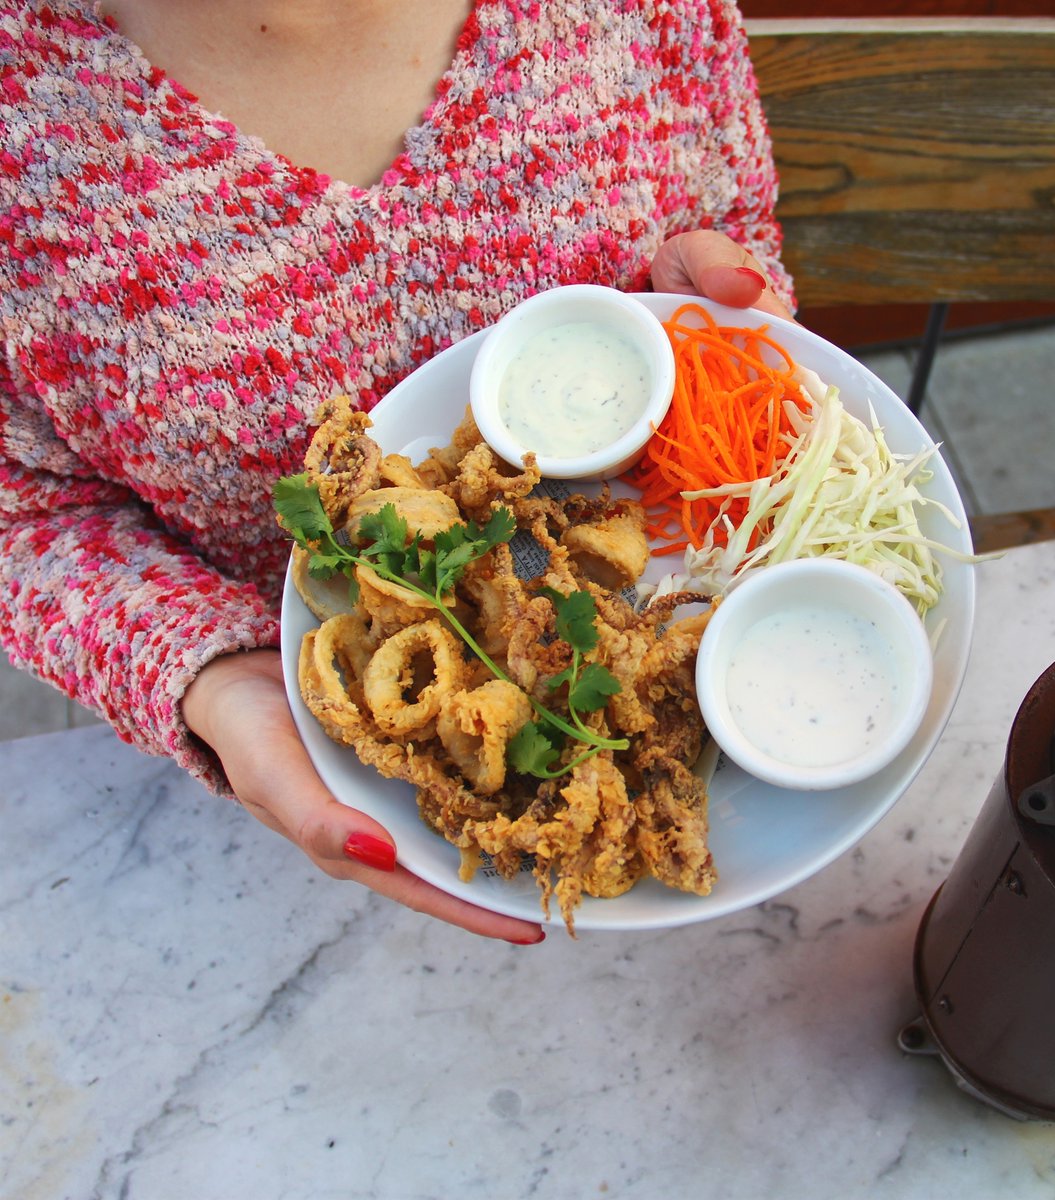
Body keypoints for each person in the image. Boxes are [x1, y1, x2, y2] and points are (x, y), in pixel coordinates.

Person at [0, 0, 796, 943]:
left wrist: (723, 322)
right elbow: (24, 517)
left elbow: (731, 232)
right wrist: (211, 675)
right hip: (286, 801)